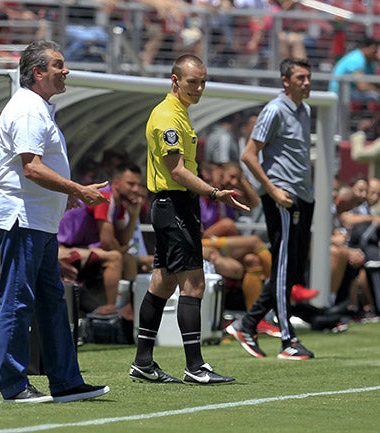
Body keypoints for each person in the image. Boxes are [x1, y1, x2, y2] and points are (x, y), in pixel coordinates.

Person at [0, 40, 110, 403]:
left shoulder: (38, 107)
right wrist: (78, 189)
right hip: (22, 218)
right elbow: (31, 167)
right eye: (58, 64)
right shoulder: (27, 108)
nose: (65, 70)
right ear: (38, 72)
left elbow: (36, 169)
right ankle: (14, 385)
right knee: (18, 301)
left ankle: (66, 381)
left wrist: (65, 193)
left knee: (52, 301)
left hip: (38, 219)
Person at [129, 54, 247, 385]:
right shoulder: (168, 116)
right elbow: (177, 171)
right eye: (192, 82)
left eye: (202, 82)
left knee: (162, 282)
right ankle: (195, 367)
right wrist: (214, 192)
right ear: (175, 80)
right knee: (194, 284)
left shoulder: (179, 113)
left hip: (172, 206)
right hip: (174, 205)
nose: (198, 88)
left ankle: (142, 361)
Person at [227, 58, 316, 360]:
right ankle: (287, 339)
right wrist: (273, 188)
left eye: (308, 77)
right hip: (282, 197)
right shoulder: (274, 110)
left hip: (302, 197)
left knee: (291, 268)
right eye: (301, 77)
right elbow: (249, 155)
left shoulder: (304, 110)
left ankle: (248, 323)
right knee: (282, 265)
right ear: (285, 81)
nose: (306, 82)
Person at [57, 162, 144, 315]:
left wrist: (134, 215)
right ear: (116, 183)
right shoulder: (104, 197)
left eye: (138, 185)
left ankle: (129, 307)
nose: (136, 189)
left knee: (129, 259)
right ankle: (112, 310)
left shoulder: (120, 205)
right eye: (131, 184)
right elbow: (107, 241)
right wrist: (122, 250)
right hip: (61, 248)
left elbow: (123, 240)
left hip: (82, 249)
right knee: (115, 257)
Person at [328, 36, 379, 102]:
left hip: (350, 92)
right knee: (373, 96)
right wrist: (377, 90)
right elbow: (362, 86)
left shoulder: (368, 62)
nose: (376, 53)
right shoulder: (357, 59)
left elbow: (374, 82)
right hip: (339, 94)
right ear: (365, 48)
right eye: (374, 50)